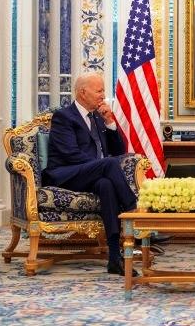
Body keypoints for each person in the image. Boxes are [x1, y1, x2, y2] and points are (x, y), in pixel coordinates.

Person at [42, 72, 150, 276]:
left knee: (106, 185)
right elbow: (70, 154)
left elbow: (118, 152)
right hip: (65, 174)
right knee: (108, 165)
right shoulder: (64, 117)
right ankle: (134, 209)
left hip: (91, 175)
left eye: (103, 91)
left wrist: (109, 122)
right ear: (83, 92)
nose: (103, 95)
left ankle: (114, 258)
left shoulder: (98, 117)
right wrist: (101, 165)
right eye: (99, 91)